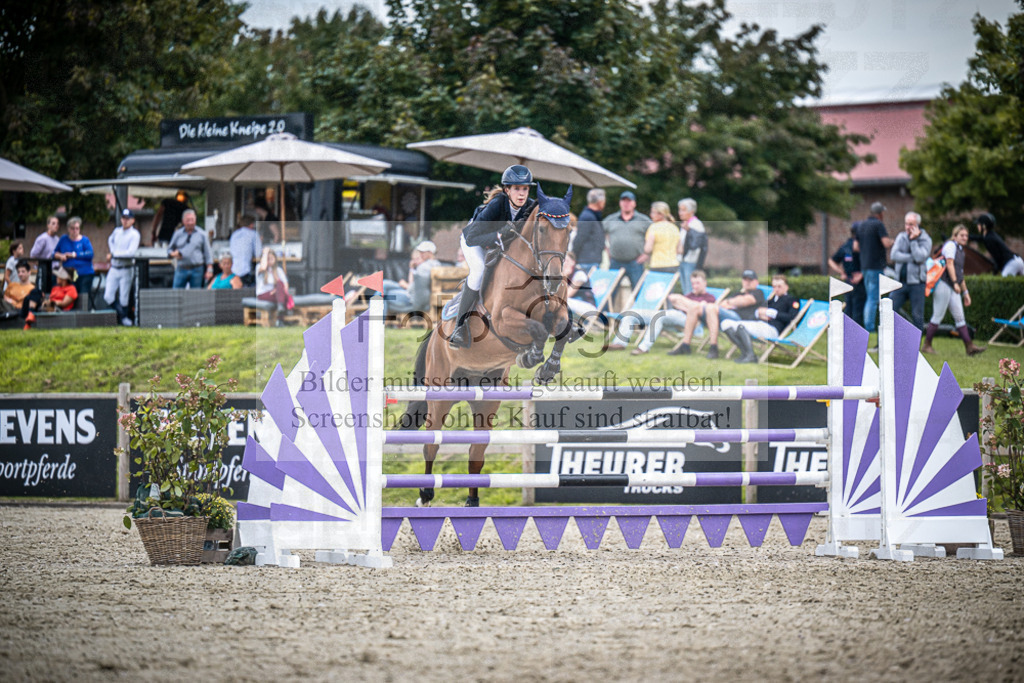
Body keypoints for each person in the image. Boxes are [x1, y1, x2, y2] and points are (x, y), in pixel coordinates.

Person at [449, 164, 538, 349]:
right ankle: (460, 326)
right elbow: (472, 236)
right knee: (479, 271)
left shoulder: (530, 206)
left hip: (499, 245)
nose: (522, 194)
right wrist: (499, 234)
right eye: (517, 189)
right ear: (507, 190)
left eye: (525, 189)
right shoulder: (497, 205)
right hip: (474, 240)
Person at [923, 225, 985, 356]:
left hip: (952, 286)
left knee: (960, 317)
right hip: (944, 284)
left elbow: (960, 273)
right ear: (955, 236)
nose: (965, 238)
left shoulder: (961, 250)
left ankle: (969, 347)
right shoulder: (951, 246)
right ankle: (927, 345)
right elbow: (950, 264)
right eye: (962, 235)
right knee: (938, 315)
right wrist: (955, 283)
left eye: (966, 236)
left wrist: (966, 292)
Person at [721, 274, 800, 364]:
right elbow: (757, 311)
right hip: (759, 325)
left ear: (786, 287)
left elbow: (791, 317)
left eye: (779, 286)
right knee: (725, 324)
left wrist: (773, 313)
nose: (777, 289)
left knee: (741, 326)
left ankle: (751, 355)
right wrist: (759, 313)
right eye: (774, 286)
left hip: (772, 329)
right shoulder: (771, 300)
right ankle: (745, 353)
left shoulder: (792, 300)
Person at [661, 270, 721, 358]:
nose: (695, 286)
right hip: (682, 315)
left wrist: (684, 302)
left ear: (705, 283)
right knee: (658, 316)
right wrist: (689, 305)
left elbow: (705, 308)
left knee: (692, 307)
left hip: (696, 320)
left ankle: (687, 345)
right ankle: (685, 346)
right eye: (693, 284)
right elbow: (672, 298)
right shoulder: (690, 295)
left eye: (698, 283)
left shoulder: (709, 297)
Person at [887, 211, 932, 330]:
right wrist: (911, 258)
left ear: (918, 224)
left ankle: (915, 346)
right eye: (906, 224)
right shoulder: (901, 236)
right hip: (899, 282)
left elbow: (920, 257)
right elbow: (894, 255)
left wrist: (913, 241)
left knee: (917, 316)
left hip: (917, 283)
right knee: (888, 310)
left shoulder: (926, 239)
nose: (908, 227)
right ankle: (883, 342)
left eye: (911, 224)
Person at [853, 202, 893, 332]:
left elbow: (855, 247)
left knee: (869, 296)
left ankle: (868, 324)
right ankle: (869, 327)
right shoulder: (878, 224)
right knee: (873, 298)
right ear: (880, 214)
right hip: (876, 266)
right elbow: (886, 243)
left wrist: (866, 251)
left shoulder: (861, 225)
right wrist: (893, 241)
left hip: (864, 266)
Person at [602, 190, 651, 290]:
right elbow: (598, 234)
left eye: (629, 201)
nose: (626, 204)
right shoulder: (611, 219)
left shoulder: (644, 220)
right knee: (609, 293)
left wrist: (647, 254)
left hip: (635, 263)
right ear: (620, 203)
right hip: (615, 262)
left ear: (634, 203)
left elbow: (656, 236)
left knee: (638, 292)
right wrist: (607, 250)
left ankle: (638, 306)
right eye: (624, 201)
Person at [381, 241, 440, 317]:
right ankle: (375, 322)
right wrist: (412, 269)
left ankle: (375, 322)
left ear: (430, 252)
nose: (421, 254)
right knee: (383, 285)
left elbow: (417, 292)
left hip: (410, 297)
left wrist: (406, 285)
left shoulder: (424, 267)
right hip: (411, 292)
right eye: (420, 252)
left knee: (381, 294)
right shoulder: (434, 264)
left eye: (423, 252)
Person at [105, 208, 140, 326]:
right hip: (114, 267)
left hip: (127, 267)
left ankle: (123, 320)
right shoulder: (117, 231)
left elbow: (131, 252)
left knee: (124, 297)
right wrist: (113, 250)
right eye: (123, 218)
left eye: (128, 219)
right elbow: (110, 240)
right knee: (108, 296)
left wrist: (114, 254)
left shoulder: (134, 234)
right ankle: (122, 316)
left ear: (132, 220)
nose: (125, 221)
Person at [827, 224, 864, 328]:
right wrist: (862, 274)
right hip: (859, 281)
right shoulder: (862, 246)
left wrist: (841, 272)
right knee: (857, 307)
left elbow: (831, 260)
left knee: (849, 306)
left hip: (848, 279)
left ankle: (847, 329)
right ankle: (856, 330)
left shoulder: (845, 246)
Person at [54, 216, 94, 308]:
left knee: (83, 294)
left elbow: (90, 254)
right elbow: (54, 252)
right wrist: (61, 256)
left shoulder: (84, 240)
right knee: (71, 294)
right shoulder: (64, 239)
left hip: (85, 273)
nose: (75, 231)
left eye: (77, 228)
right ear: (68, 229)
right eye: (72, 228)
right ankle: (72, 313)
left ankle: (84, 314)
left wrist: (74, 255)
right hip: (70, 274)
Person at [168, 209, 213, 289]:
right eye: (188, 220)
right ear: (183, 221)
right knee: (176, 293)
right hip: (181, 268)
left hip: (197, 269)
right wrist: (173, 254)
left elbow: (208, 253)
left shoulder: (202, 234)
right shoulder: (177, 234)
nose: (190, 222)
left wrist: (209, 269)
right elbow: (169, 250)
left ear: (195, 220)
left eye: (192, 220)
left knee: (195, 295)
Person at [970, 212, 1024, 277]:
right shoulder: (990, 235)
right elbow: (979, 238)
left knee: (1003, 283)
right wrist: (967, 237)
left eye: (979, 224)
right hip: (1018, 261)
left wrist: (995, 271)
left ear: (984, 226)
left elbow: (997, 257)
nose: (977, 226)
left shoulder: (989, 239)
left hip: (1011, 263)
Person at [677, 198, 708, 294]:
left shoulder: (696, 224)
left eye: (683, 210)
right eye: (680, 210)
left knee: (690, 290)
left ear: (691, 211)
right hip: (682, 261)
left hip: (691, 262)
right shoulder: (685, 224)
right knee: (685, 289)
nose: (680, 213)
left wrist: (689, 231)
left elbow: (695, 244)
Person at [255, 247, 293, 321]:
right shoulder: (259, 268)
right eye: (267, 259)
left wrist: (277, 291)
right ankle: (281, 319)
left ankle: (280, 308)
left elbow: (285, 284)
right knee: (282, 297)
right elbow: (263, 267)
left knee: (280, 284)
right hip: (263, 294)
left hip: (276, 294)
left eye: (271, 258)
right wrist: (265, 253)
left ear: (275, 259)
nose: (269, 261)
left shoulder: (278, 270)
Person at [574, 188, 606, 274]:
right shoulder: (587, 217)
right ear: (599, 201)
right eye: (603, 200)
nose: (604, 203)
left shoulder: (593, 216)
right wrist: (573, 256)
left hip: (591, 260)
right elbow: (579, 238)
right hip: (587, 262)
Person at [642, 202, 680, 274]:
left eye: (653, 212)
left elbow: (648, 249)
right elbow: (680, 250)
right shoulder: (674, 228)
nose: (651, 215)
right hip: (673, 265)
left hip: (658, 265)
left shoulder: (654, 227)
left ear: (661, 214)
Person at [228, 214, 262, 286]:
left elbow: (231, 251)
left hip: (234, 269)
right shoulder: (253, 234)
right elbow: (258, 253)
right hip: (246, 270)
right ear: (251, 225)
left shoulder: (234, 234)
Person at [30, 215, 61, 291]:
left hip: (55, 271)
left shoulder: (57, 239)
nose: (56, 226)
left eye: (57, 224)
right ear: (48, 225)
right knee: (43, 292)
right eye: (53, 223)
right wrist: (40, 265)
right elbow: (33, 255)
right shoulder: (43, 238)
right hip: (44, 271)